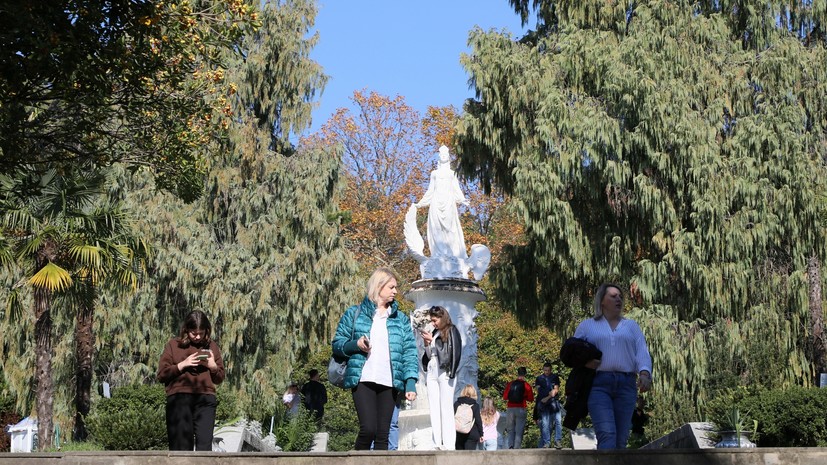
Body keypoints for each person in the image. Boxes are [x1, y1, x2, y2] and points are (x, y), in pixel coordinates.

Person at [331, 267, 419, 450]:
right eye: (391, 287)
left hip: (390, 382)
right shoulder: (354, 313)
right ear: (379, 287)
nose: (395, 291)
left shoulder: (400, 319)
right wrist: (356, 344)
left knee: (383, 435)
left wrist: (410, 382)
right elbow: (338, 344)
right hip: (363, 379)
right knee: (368, 429)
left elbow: (410, 352)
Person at [574, 283, 652, 449]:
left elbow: (642, 352)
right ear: (602, 301)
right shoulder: (587, 326)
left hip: (626, 385)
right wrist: (585, 362)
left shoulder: (631, 326)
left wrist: (644, 374)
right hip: (598, 385)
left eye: (620, 297)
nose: (619, 299)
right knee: (607, 435)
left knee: (621, 439)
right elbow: (572, 353)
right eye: (613, 296)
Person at [157, 310, 225, 451]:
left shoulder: (212, 346)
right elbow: (162, 375)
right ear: (186, 329)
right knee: (180, 447)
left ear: (207, 330)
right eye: (194, 333)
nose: (198, 337)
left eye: (201, 333)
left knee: (204, 447)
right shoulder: (173, 345)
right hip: (179, 398)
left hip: (205, 399)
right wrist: (183, 364)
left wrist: (213, 367)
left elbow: (219, 378)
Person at [414, 145, 470, 259]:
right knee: (436, 229)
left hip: (448, 202)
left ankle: (452, 254)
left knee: (451, 228)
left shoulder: (452, 173)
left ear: (448, 157)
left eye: (446, 154)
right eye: (442, 154)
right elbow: (430, 190)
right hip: (436, 203)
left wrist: (462, 199)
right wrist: (420, 203)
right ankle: (438, 255)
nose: (444, 156)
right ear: (439, 157)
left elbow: (456, 188)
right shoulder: (434, 173)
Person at [420, 305, 462, 450]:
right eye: (431, 320)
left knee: (446, 408)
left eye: (435, 320)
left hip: (445, 370)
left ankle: (449, 444)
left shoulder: (452, 330)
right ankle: (437, 443)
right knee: (434, 407)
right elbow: (429, 354)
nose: (433, 323)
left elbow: (456, 351)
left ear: (442, 317)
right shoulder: (436, 332)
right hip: (432, 370)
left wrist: (452, 372)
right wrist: (427, 343)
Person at [502, 366, 533, 449]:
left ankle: (510, 446)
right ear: (525, 374)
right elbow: (531, 399)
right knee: (519, 430)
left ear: (517, 373)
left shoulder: (510, 384)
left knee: (510, 429)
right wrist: (524, 397)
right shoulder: (527, 385)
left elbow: (505, 397)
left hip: (510, 408)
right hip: (521, 408)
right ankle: (517, 448)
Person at [535, 362, 563, 449]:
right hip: (544, 405)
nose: (547, 372)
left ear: (551, 370)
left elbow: (555, 391)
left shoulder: (555, 377)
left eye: (548, 370)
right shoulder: (539, 378)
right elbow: (539, 391)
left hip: (554, 403)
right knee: (545, 424)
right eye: (545, 370)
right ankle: (546, 442)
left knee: (558, 421)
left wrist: (547, 397)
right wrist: (549, 392)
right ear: (543, 370)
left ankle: (557, 440)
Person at [454, 384, 484, 450]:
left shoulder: (457, 404)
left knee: (458, 456)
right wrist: (481, 434)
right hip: (472, 434)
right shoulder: (475, 405)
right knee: (470, 457)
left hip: (458, 433)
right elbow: (478, 421)